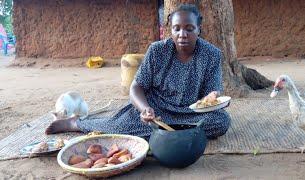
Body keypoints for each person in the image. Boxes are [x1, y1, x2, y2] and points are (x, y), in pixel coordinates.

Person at [46, 3, 231, 139]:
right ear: (170, 30)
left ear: (199, 29)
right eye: (177, 29)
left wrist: (215, 100)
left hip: (190, 113)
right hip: (156, 109)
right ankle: (75, 123)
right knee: (119, 126)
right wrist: (145, 109)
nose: (183, 34)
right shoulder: (158, 51)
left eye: (189, 29)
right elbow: (136, 87)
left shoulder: (212, 54)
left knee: (220, 121)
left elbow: (212, 94)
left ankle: (165, 133)